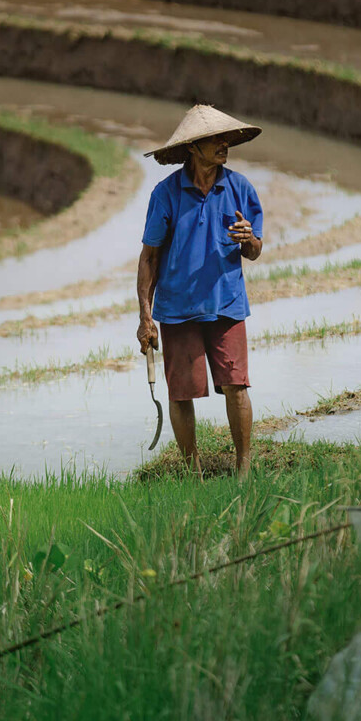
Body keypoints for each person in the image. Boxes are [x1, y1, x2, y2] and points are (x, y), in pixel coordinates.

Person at [136, 103, 264, 475]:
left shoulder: (239, 188)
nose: (223, 144)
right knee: (182, 392)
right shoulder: (167, 194)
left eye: (225, 138)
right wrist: (146, 316)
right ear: (193, 148)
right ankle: (193, 473)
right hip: (178, 308)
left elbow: (254, 251)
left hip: (227, 303)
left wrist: (249, 240)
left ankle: (243, 471)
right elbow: (149, 258)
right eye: (213, 140)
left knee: (237, 384)